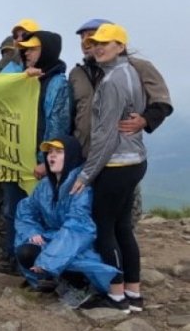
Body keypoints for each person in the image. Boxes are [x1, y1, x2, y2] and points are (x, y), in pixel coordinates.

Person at [71, 23, 147, 312]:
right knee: (123, 227)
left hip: (115, 164)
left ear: (121, 46)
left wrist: (87, 174)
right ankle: (133, 294)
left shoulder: (112, 81)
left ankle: (115, 295)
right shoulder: (130, 73)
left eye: (105, 43)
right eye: (96, 43)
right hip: (135, 160)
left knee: (105, 228)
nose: (98, 47)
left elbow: (105, 135)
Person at [69, 18, 173, 227]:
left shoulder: (137, 67)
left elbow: (162, 101)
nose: (87, 42)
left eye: (93, 36)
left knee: (119, 222)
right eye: (83, 38)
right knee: (90, 218)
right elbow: (72, 113)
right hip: (85, 154)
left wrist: (145, 119)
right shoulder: (77, 73)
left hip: (120, 158)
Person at [0, 29, 73, 274]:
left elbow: (58, 124)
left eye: (32, 49)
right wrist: (21, 78)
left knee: (39, 214)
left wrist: (46, 161)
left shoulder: (58, 83)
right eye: (24, 50)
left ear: (47, 51)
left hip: (39, 161)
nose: (26, 53)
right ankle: (12, 258)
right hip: (16, 156)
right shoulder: (24, 77)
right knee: (13, 210)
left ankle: (41, 265)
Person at [14, 137, 119, 296]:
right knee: (26, 251)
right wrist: (32, 232)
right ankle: (52, 280)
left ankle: (79, 285)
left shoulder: (80, 187)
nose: (52, 156)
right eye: (50, 152)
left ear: (71, 156)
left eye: (59, 152)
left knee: (69, 258)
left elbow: (78, 228)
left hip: (79, 244)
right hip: (54, 237)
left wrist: (49, 261)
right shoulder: (45, 185)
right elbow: (26, 211)